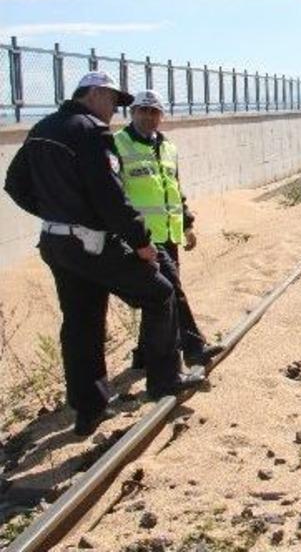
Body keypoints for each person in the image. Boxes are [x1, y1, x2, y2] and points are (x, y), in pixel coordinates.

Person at [4, 73, 204, 437]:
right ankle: (164, 380)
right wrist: (141, 241)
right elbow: (109, 195)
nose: (115, 110)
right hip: (92, 242)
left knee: (81, 323)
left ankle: (89, 409)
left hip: (56, 243)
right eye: (113, 101)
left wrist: (57, 213)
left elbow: (14, 184)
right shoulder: (91, 131)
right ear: (94, 94)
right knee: (160, 292)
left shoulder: (42, 129)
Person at [115, 90, 224, 370]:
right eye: (143, 111)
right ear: (132, 113)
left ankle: (142, 355)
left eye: (154, 112)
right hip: (142, 238)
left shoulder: (168, 148)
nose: (148, 117)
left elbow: (175, 190)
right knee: (173, 291)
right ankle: (193, 347)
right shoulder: (118, 144)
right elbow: (113, 194)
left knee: (159, 297)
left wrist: (187, 224)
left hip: (168, 234)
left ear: (161, 116)